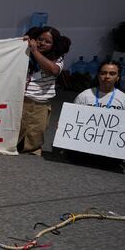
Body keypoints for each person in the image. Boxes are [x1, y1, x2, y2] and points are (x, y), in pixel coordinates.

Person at [66, 60, 125, 173]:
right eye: (103, 73)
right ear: (98, 75)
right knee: (76, 157)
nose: (107, 76)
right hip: (84, 146)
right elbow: (71, 119)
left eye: (112, 73)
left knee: (109, 163)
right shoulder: (84, 95)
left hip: (110, 149)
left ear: (118, 77)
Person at [18, 26, 71, 155]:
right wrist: (21, 41)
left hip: (40, 103)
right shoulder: (25, 50)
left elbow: (53, 71)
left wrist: (35, 52)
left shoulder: (57, 58)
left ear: (54, 45)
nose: (42, 43)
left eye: (48, 42)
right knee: (16, 130)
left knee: (36, 133)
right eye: (40, 39)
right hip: (21, 99)